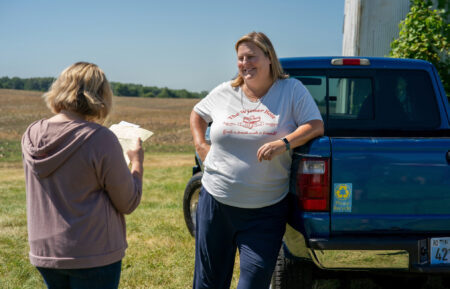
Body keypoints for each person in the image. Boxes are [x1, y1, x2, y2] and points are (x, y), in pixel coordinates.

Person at [190, 31, 324, 289]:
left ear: (269, 57)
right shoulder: (225, 91)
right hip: (217, 205)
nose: (244, 63)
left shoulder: (290, 90)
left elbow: (315, 125)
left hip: (265, 212)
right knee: (208, 283)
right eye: (240, 58)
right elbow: (197, 113)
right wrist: (201, 145)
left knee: (253, 283)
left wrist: (283, 143)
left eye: (251, 56)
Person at [21, 62, 144, 289]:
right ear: (100, 94)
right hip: (93, 253)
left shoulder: (31, 133)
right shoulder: (100, 138)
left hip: (45, 252)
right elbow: (128, 201)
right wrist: (136, 162)